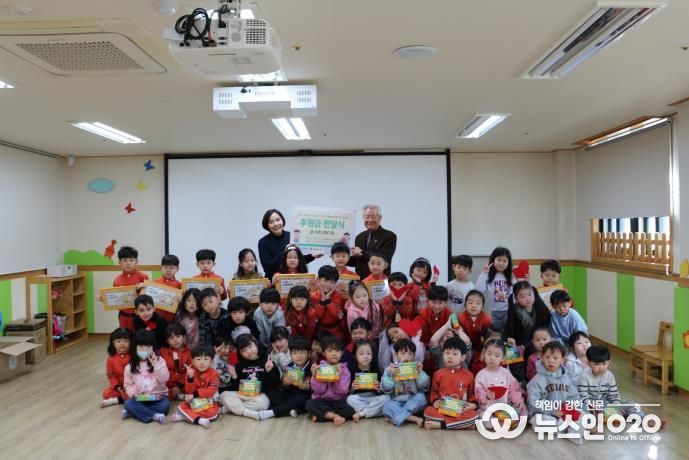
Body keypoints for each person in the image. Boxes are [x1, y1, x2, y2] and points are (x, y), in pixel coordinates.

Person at [527, 341, 583, 444]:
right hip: (542, 412)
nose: (551, 361)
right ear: (542, 357)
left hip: (561, 410)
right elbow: (534, 402)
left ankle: (569, 427)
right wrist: (553, 410)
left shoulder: (565, 377)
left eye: (555, 358)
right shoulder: (537, 380)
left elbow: (572, 395)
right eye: (547, 357)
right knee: (541, 421)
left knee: (582, 414)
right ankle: (567, 428)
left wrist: (572, 407)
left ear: (563, 359)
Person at [578, 345, 650, 420]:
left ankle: (643, 418)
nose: (601, 367)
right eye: (596, 364)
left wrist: (616, 404)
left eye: (604, 364)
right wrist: (591, 405)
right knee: (585, 411)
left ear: (608, 362)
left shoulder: (609, 376)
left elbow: (614, 395)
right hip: (592, 405)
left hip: (607, 403)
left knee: (632, 404)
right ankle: (615, 416)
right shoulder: (584, 376)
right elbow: (583, 396)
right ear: (588, 363)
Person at [219, 333, 281, 420]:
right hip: (243, 394)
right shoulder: (239, 365)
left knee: (262, 403)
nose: (249, 351)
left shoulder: (266, 360)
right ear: (240, 353)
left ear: (255, 343)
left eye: (250, 347)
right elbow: (236, 388)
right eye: (244, 350)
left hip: (260, 396)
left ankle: (230, 408)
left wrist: (268, 372)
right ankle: (247, 413)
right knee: (224, 395)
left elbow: (274, 384)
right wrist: (234, 376)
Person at [423, 338, 479, 430]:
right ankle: (462, 424)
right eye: (447, 353)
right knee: (427, 411)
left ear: (463, 357)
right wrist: (435, 401)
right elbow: (434, 392)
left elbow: (472, 394)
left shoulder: (469, 375)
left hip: (461, 411)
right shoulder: (438, 374)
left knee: (474, 415)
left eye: (455, 354)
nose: (450, 357)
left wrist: (473, 405)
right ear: (443, 354)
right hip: (442, 409)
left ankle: (441, 425)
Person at [474, 338, 527, 427]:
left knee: (523, 412)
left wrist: (519, 401)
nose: (492, 358)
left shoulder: (506, 373)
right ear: (484, 354)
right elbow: (478, 394)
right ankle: (503, 423)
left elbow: (514, 390)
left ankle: (505, 422)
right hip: (487, 410)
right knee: (486, 421)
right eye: (489, 354)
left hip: (504, 408)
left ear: (503, 358)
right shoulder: (480, 375)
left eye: (497, 355)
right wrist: (486, 396)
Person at [258, 336, 313, 420]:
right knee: (273, 394)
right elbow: (282, 387)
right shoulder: (289, 367)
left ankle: (272, 412)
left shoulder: (312, 367)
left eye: (302, 353)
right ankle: (292, 409)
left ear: (308, 354)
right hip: (290, 394)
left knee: (302, 399)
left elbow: (318, 389)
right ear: (290, 355)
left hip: (304, 395)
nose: (298, 356)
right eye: (295, 353)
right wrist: (285, 384)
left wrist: (308, 387)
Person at [121, 330, 170, 424]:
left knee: (164, 407)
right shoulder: (129, 367)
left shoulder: (159, 360)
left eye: (148, 347)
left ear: (153, 347)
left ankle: (135, 412)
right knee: (128, 403)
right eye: (141, 347)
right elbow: (128, 385)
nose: (144, 350)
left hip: (158, 397)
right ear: (134, 347)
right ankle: (154, 415)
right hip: (140, 398)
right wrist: (133, 394)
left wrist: (155, 364)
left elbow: (164, 378)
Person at [257, 209, 321, 281]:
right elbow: (268, 267)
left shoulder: (292, 236)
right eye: (271, 222)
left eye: (278, 220)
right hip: (274, 282)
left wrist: (312, 256)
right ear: (267, 225)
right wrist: (284, 251)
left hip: (294, 280)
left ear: (282, 220)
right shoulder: (263, 242)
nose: (276, 224)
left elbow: (299, 259)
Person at [305, 336, 355, 426]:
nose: (334, 354)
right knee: (309, 404)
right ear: (323, 353)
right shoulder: (320, 368)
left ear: (342, 353)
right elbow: (319, 390)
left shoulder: (345, 370)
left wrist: (338, 375)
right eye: (330, 350)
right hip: (321, 400)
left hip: (338, 401)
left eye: (337, 350)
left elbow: (343, 391)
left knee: (349, 410)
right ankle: (334, 416)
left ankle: (322, 415)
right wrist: (315, 376)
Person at [381, 338, 430, 427]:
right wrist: (391, 375)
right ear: (396, 355)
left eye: (410, 354)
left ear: (414, 356)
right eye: (403, 353)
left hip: (412, 400)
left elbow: (424, 387)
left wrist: (420, 373)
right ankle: (412, 418)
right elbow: (386, 389)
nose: (406, 357)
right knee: (387, 406)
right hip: (396, 401)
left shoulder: (416, 367)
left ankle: (397, 416)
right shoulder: (390, 369)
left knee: (422, 398)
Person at [171, 345, 221, 428]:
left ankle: (185, 417)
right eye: (198, 359)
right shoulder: (191, 372)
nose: (202, 362)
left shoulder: (214, 374)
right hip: (194, 402)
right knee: (181, 407)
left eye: (206, 359)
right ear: (192, 361)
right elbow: (189, 391)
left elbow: (211, 391)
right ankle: (200, 420)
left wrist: (194, 395)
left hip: (209, 402)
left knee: (213, 414)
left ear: (211, 361)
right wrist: (190, 378)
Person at [347, 205, 397, 278]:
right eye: (367, 217)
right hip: (360, 280)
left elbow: (385, 257)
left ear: (380, 218)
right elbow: (357, 262)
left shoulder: (389, 236)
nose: (370, 220)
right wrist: (340, 256)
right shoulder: (359, 237)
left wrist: (362, 253)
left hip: (379, 280)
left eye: (373, 217)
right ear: (363, 218)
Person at [475, 247, 517, 331]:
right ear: (493, 260)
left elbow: (516, 292)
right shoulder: (488, 275)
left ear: (508, 263)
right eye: (498, 260)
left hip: (508, 311)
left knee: (507, 334)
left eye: (504, 261)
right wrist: (484, 273)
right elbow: (478, 289)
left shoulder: (511, 276)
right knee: (495, 334)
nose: (501, 263)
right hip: (493, 312)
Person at [347, 339, 389, 421]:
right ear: (355, 356)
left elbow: (381, 390)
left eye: (368, 353)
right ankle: (373, 411)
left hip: (374, 397)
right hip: (359, 398)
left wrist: (379, 388)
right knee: (349, 399)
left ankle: (362, 413)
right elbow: (349, 392)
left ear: (372, 355)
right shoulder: (352, 369)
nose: (365, 356)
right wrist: (352, 388)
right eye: (361, 354)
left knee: (387, 398)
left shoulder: (375, 367)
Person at [111, 245, 149, 331]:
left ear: (136, 262)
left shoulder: (143, 277)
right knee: (125, 335)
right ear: (119, 262)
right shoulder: (117, 280)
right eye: (124, 260)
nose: (128, 263)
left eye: (131, 260)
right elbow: (115, 300)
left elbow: (148, 299)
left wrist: (141, 289)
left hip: (139, 316)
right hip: (123, 315)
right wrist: (105, 299)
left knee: (139, 336)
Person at [504, 281, 551, 350]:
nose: (528, 299)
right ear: (516, 299)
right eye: (522, 296)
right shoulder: (514, 312)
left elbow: (546, 325)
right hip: (522, 347)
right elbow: (511, 335)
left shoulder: (540, 307)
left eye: (530, 294)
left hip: (541, 343)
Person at [457, 290, 492, 373]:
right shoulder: (459, 317)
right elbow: (453, 320)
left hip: (480, 349)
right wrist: (458, 329)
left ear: (482, 306)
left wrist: (485, 349)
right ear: (465, 305)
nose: (474, 306)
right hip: (464, 348)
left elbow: (490, 336)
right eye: (470, 303)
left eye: (478, 303)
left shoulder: (487, 319)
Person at [312, 265, 347, 340]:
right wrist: (322, 300)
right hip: (320, 330)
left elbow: (335, 314)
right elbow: (317, 316)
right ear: (318, 280)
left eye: (332, 282)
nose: (328, 284)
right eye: (325, 281)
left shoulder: (337, 295)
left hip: (336, 330)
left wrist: (328, 299)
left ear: (335, 283)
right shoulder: (314, 296)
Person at [101, 328, 132, 408]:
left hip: (133, 385)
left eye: (126, 341)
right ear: (113, 343)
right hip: (120, 386)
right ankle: (126, 397)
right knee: (106, 394)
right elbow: (111, 376)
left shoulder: (133, 356)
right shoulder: (110, 359)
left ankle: (118, 400)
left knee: (135, 392)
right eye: (118, 341)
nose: (122, 344)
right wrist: (117, 387)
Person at [160, 323, 192, 400]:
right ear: (167, 341)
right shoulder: (163, 352)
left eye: (178, 336)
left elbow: (190, 372)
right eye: (171, 338)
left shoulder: (189, 353)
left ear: (183, 337)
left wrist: (179, 386)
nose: (175, 340)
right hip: (165, 386)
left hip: (182, 386)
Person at [152, 254, 182, 322]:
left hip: (173, 320)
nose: (168, 270)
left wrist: (181, 300)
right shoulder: (153, 283)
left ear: (177, 269)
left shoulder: (180, 285)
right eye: (165, 267)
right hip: (156, 319)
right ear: (161, 268)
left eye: (171, 268)